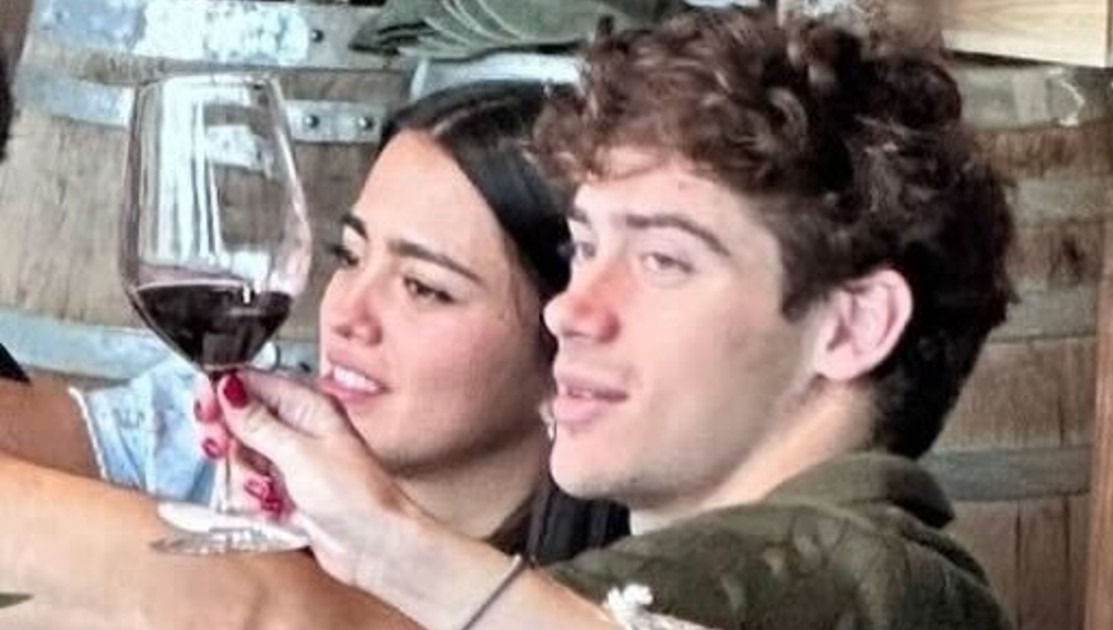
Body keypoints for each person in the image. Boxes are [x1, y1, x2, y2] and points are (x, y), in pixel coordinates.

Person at [207, 7, 1016, 629]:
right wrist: (363, 534)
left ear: (852, 327)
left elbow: (249, 615)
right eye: (586, 247)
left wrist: (379, 543)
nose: (570, 308)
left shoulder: (848, 574)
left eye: (663, 261)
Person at [0, 77, 624, 628]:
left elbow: (248, 607)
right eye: (349, 257)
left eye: (424, 288)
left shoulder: (614, 596)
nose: (348, 313)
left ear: (569, 358)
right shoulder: (240, 455)